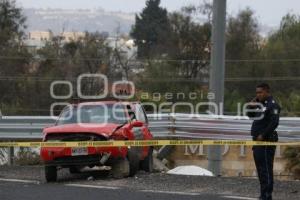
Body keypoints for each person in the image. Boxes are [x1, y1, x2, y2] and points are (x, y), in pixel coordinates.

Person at [246, 83, 281, 200]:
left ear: (267, 92)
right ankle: (263, 194)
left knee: (266, 169)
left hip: (266, 141)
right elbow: (249, 116)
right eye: (257, 93)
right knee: (261, 170)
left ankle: (267, 195)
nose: (258, 95)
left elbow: (274, 122)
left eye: (260, 92)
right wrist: (251, 106)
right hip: (257, 141)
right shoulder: (259, 105)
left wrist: (263, 135)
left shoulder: (273, 105)